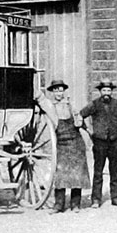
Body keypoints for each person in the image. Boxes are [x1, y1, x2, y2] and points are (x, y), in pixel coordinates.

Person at [37, 79, 88, 212]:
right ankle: (59, 205)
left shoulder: (71, 104)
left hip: (76, 142)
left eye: (60, 90)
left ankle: (75, 204)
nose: (58, 93)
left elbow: (79, 121)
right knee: (59, 174)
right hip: (60, 143)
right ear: (52, 92)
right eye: (56, 90)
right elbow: (40, 100)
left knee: (77, 174)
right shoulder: (50, 106)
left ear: (63, 91)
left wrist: (79, 120)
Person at [80, 78, 117, 207]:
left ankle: (116, 198)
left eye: (109, 90)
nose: (106, 93)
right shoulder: (94, 104)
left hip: (114, 141)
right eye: (104, 90)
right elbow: (80, 115)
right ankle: (96, 200)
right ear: (100, 91)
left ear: (112, 91)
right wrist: (89, 130)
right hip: (99, 142)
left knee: (114, 171)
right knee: (98, 171)